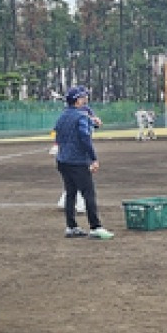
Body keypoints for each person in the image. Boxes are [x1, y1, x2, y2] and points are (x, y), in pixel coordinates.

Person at [54, 87, 114, 239]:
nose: (86, 99)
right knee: (89, 194)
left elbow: (61, 133)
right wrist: (93, 159)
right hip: (78, 162)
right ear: (78, 100)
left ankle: (71, 226)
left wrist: (92, 123)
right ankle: (95, 227)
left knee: (70, 194)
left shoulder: (63, 116)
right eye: (83, 97)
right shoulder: (81, 116)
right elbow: (84, 138)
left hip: (63, 160)